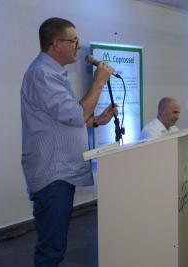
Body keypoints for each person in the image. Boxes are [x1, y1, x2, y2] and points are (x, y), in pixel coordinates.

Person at [20, 17, 117, 267]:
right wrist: (98, 81)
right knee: (52, 249)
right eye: (73, 40)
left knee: (56, 245)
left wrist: (97, 121)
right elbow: (75, 114)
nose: (78, 45)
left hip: (61, 171)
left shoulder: (52, 74)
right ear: (56, 44)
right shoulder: (42, 75)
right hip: (53, 174)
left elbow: (66, 120)